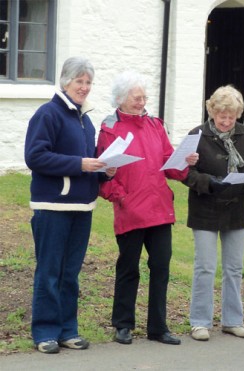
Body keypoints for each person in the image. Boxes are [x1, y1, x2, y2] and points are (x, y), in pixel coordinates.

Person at [96, 71, 199, 346]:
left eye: (144, 98)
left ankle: (158, 327)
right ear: (121, 99)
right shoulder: (110, 129)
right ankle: (123, 324)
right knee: (128, 268)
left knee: (161, 268)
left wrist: (185, 160)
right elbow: (103, 174)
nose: (142, 102)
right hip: (130, 210)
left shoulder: (155, 125)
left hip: (159, 208)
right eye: (136, 98)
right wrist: (122, 197)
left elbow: (170, 163)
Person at [24, 56, 116, 354]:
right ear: (66, 81)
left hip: (82, 208)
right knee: (49, 272)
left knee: (70, 274)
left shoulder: (85, 120)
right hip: (52, 207)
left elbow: (87, 164)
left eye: (88, 82)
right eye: (80, 81)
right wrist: (80, 164)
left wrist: (104, 170)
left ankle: (67, 330)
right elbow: (35, 157)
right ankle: (45, 332)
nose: (85, 87)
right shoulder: (47, 114)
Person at [182, 85, 244, 341]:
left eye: (231, 116)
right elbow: (185, 173)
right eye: (221, 116)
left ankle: (232, 320)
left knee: (234, 268)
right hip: (206, 209)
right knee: (205, 266)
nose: (226, 121)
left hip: (236, 209)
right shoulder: (197, 135)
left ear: (238, 113)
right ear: (212, 112)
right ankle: (200, 321)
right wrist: (208, 182)